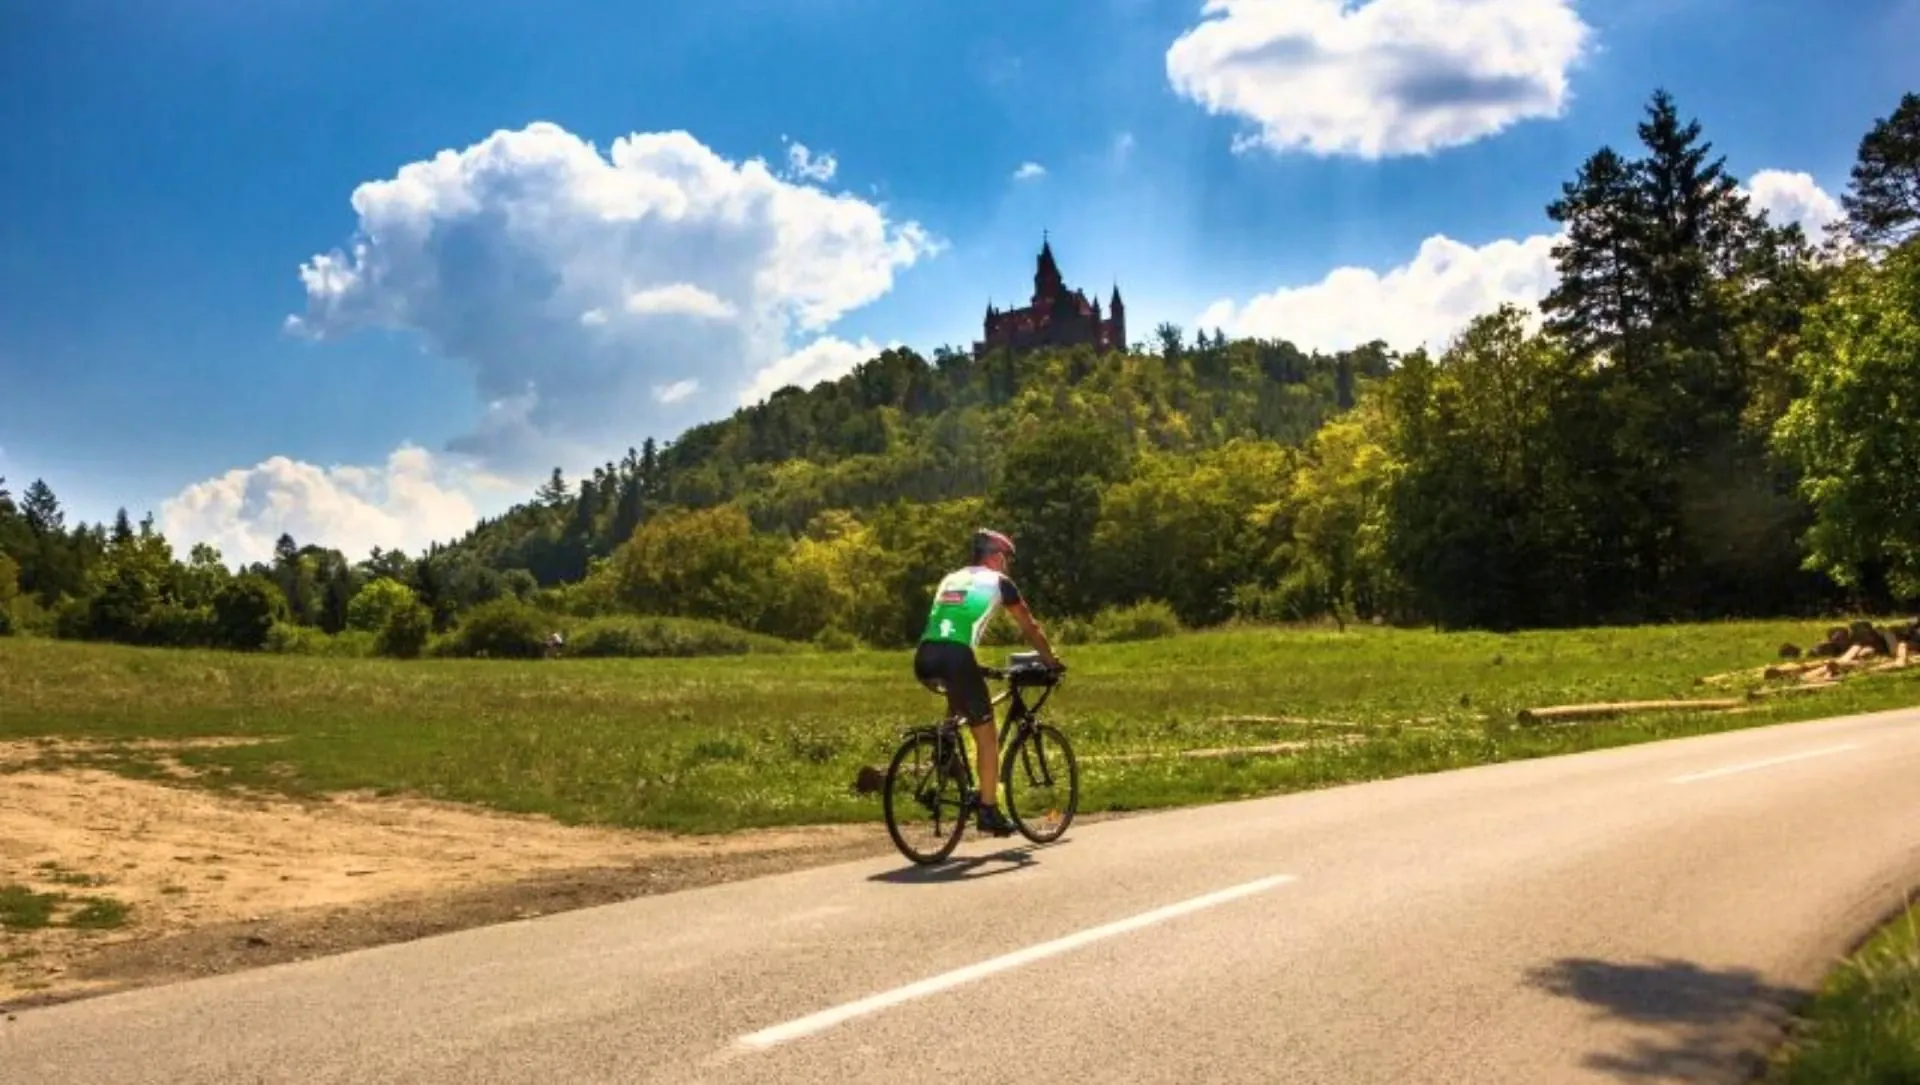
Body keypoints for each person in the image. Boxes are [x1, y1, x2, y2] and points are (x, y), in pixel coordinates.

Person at [912, 527, 1064, 836]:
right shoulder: (999, 583)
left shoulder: (951, 578)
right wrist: (1050, 660)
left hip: (925, 655)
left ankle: (944, 757)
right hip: (956, 656)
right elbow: (1030, 626)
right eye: (1005, 558)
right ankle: (988, 810)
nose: (1006, 565)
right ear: (994, 556)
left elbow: (948, 625)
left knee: (958, 707)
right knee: (987, 736)